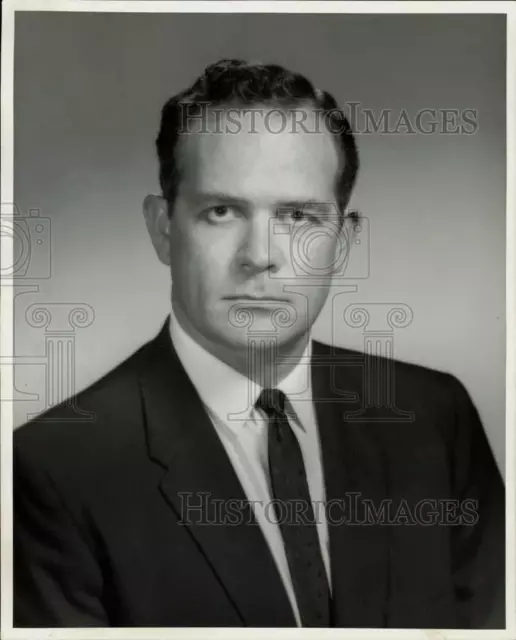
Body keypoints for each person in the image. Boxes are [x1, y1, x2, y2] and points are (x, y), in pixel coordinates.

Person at [13, 59, 505, 629]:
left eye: (297, 216)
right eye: (221, 212)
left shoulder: (435, 418)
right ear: (163, 229)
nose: (260, 256)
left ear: (343, 244)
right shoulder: (54, 468)